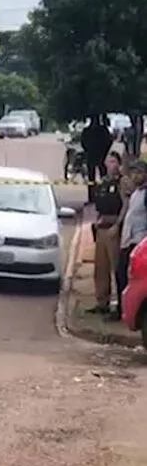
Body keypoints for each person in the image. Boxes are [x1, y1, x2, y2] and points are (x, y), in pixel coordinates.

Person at [87, 151, 125, 314]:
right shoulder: (102, 182)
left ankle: (119, 304)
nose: (109, 165)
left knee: (116, 267)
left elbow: (126, 204)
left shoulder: (122, 183)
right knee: (100, 268)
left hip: (113, 228)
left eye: (112, 162)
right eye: (107, 162)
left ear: (119, 164)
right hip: (101, 227)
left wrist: (117, 224)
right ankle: (102, 302)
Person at [114, 159, 147, 321]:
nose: (135, 176)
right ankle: (122, 309)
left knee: (127, 277)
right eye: (133, 173)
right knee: (120, 274)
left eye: (139, 173)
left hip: (138, 242)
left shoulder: (146, 194)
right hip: (128, 240)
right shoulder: (136, 192)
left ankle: (126, 311)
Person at [81, 114, 113, 202]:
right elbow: (83, 143)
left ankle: (103, 196)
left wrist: (104, 152)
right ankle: (92, 197)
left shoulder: (102, 130)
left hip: (99, 156)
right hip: (93, 156)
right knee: (92, 178)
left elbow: (109, 141)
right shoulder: (88, 130)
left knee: (102, 178)